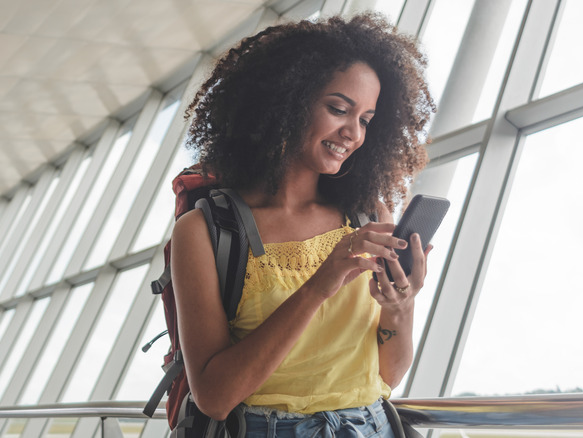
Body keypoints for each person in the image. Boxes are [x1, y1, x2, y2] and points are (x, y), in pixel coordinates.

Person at [170, 12, 435, 438]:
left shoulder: (369, 215)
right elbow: (215, 398)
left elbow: (388, 374)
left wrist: (400, 304)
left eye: (366, 119)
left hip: (371, 426)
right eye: (338, 109)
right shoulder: (206, 231)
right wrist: (318, 285)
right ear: (286, 101)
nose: (353, 133)